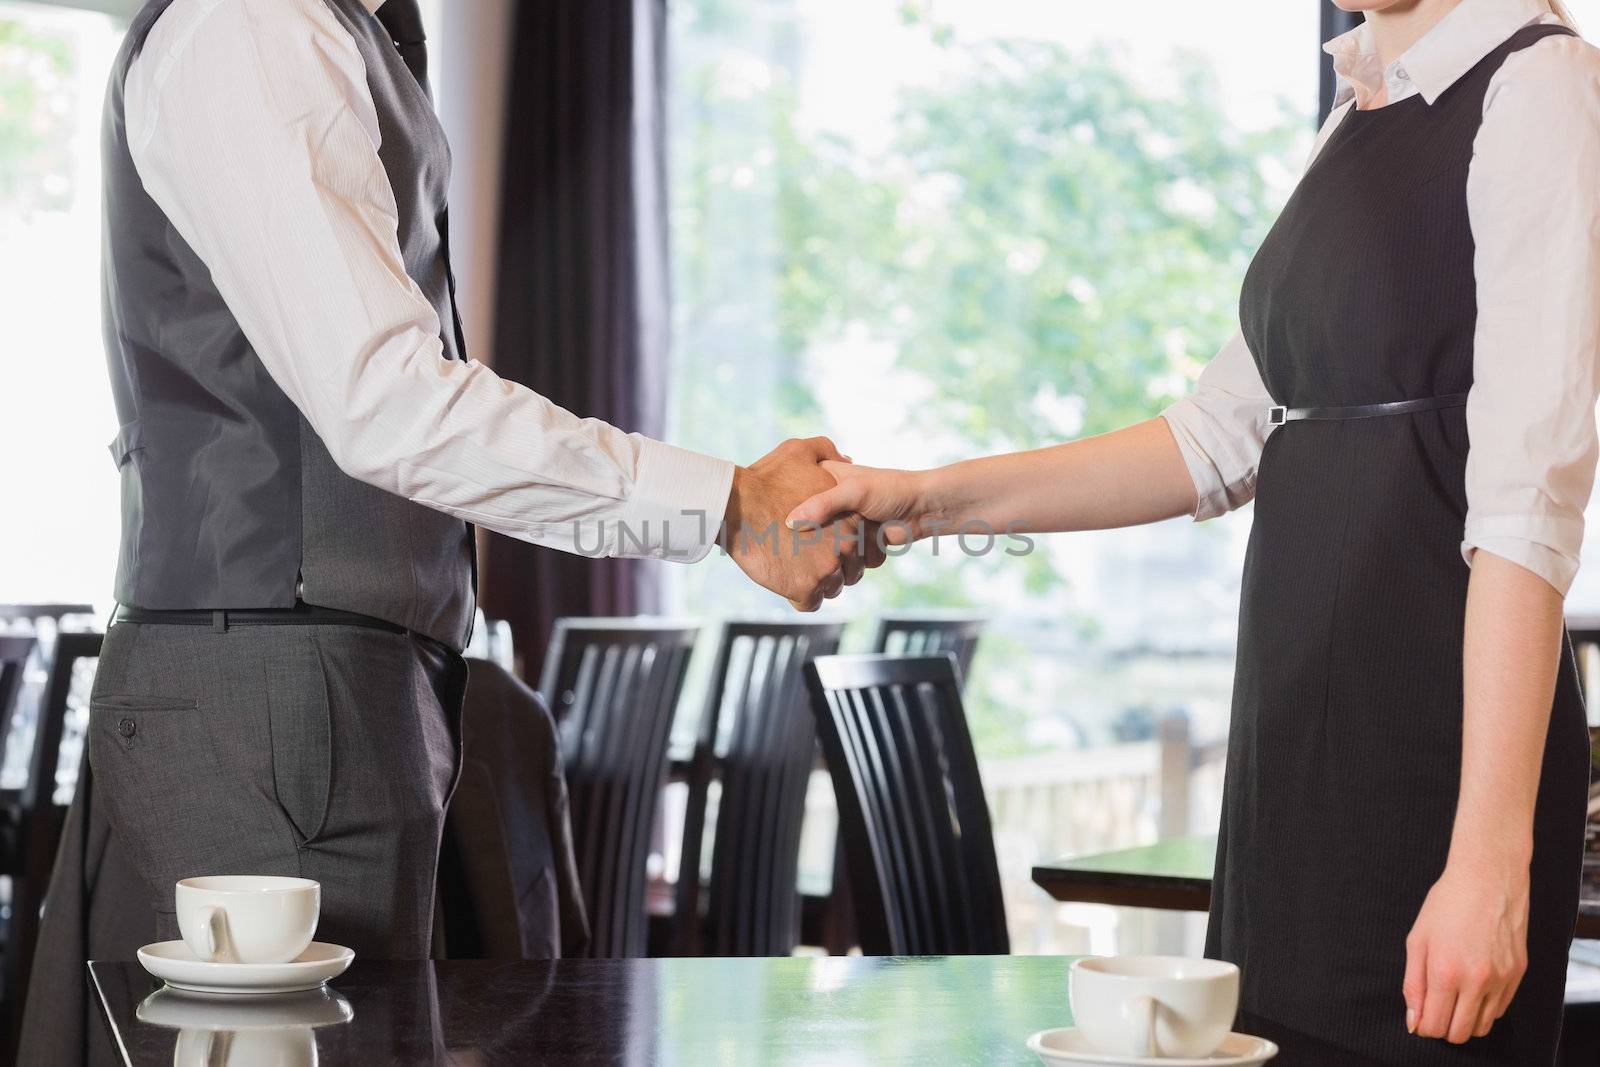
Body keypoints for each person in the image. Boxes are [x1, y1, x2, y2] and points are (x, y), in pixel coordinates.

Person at [24, 1, 872, 1057]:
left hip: (330, 688)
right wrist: (726, 502)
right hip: (277, 703)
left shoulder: (334, 30)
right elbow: (387, 400)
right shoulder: (251, 24)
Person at [786, 0, 1598, 1061]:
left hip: (1431, 763)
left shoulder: (1539, 88)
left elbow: (1526, 510)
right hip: (1294, 750)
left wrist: (1488, 857)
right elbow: (1216, 437)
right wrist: (925, 497)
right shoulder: (1359, 105)